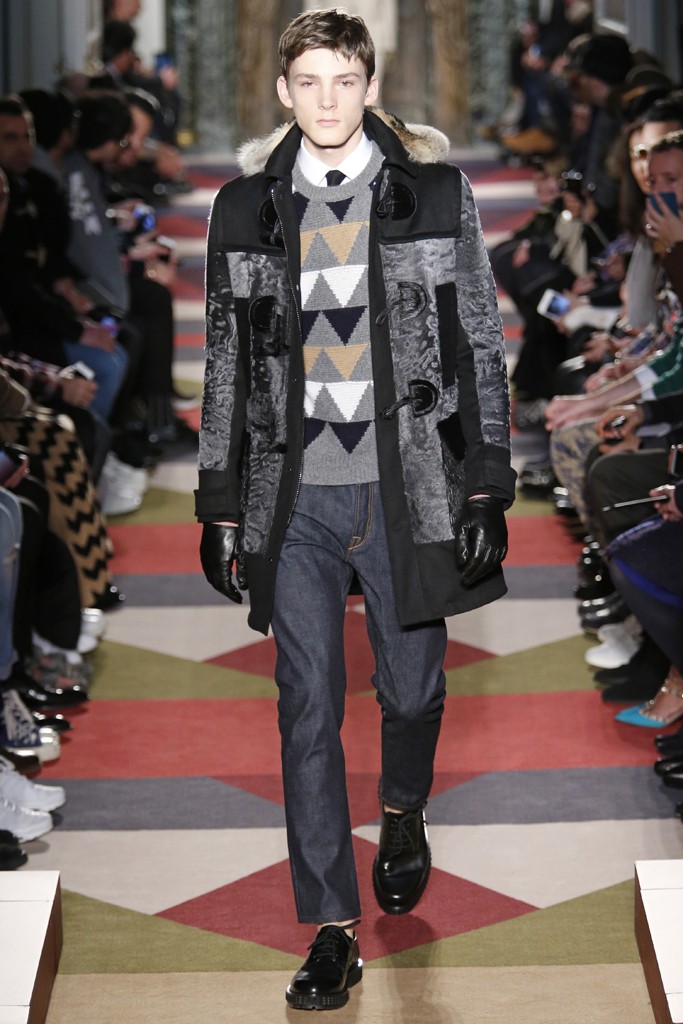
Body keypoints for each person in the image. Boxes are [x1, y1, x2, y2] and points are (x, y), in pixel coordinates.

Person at [195, 8, 515, 1012]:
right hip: (292, 495)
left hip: (406, 486)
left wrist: (486, 481)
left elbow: (476, 340)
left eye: (344, 80)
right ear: (283, 92)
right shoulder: (244, 209)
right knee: (305, 706)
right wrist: (217, 503)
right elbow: (224, 362)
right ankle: (331, 930)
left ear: (370, 87)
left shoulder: (435, 196)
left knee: (412, 695)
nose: (327, 100)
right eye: (309, 82)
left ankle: (403, 808)